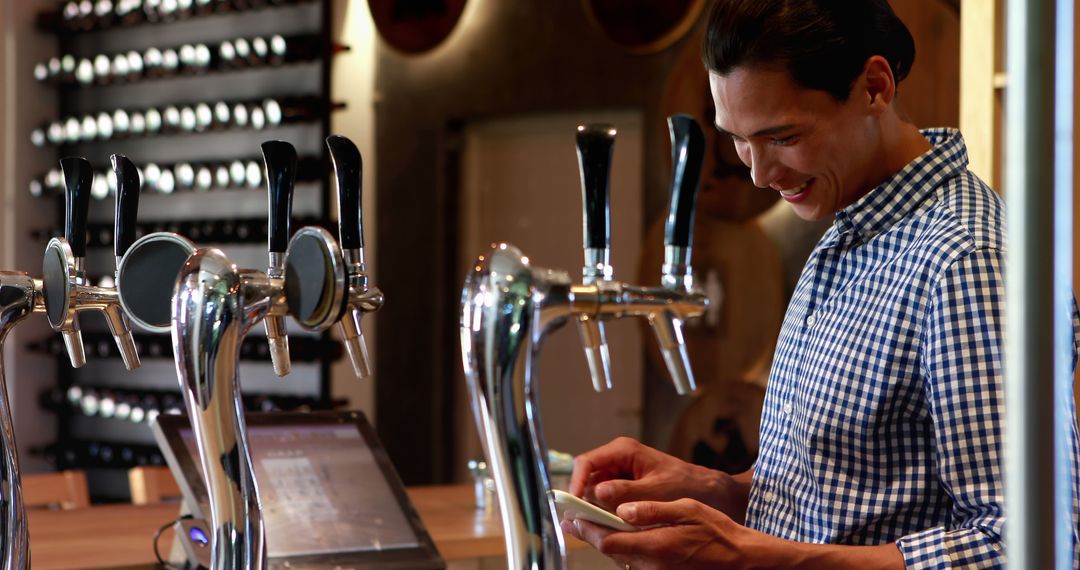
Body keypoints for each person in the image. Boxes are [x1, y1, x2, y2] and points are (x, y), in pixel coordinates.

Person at [562, 1, 1080, 568]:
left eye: (781, 137)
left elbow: (1025, 546)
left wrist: (745, 555)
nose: (758, 173)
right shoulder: (850, 228)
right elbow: (842, 494)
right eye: (737, 139)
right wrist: (711, 488)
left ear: (874, 87)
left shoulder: (968, 262)